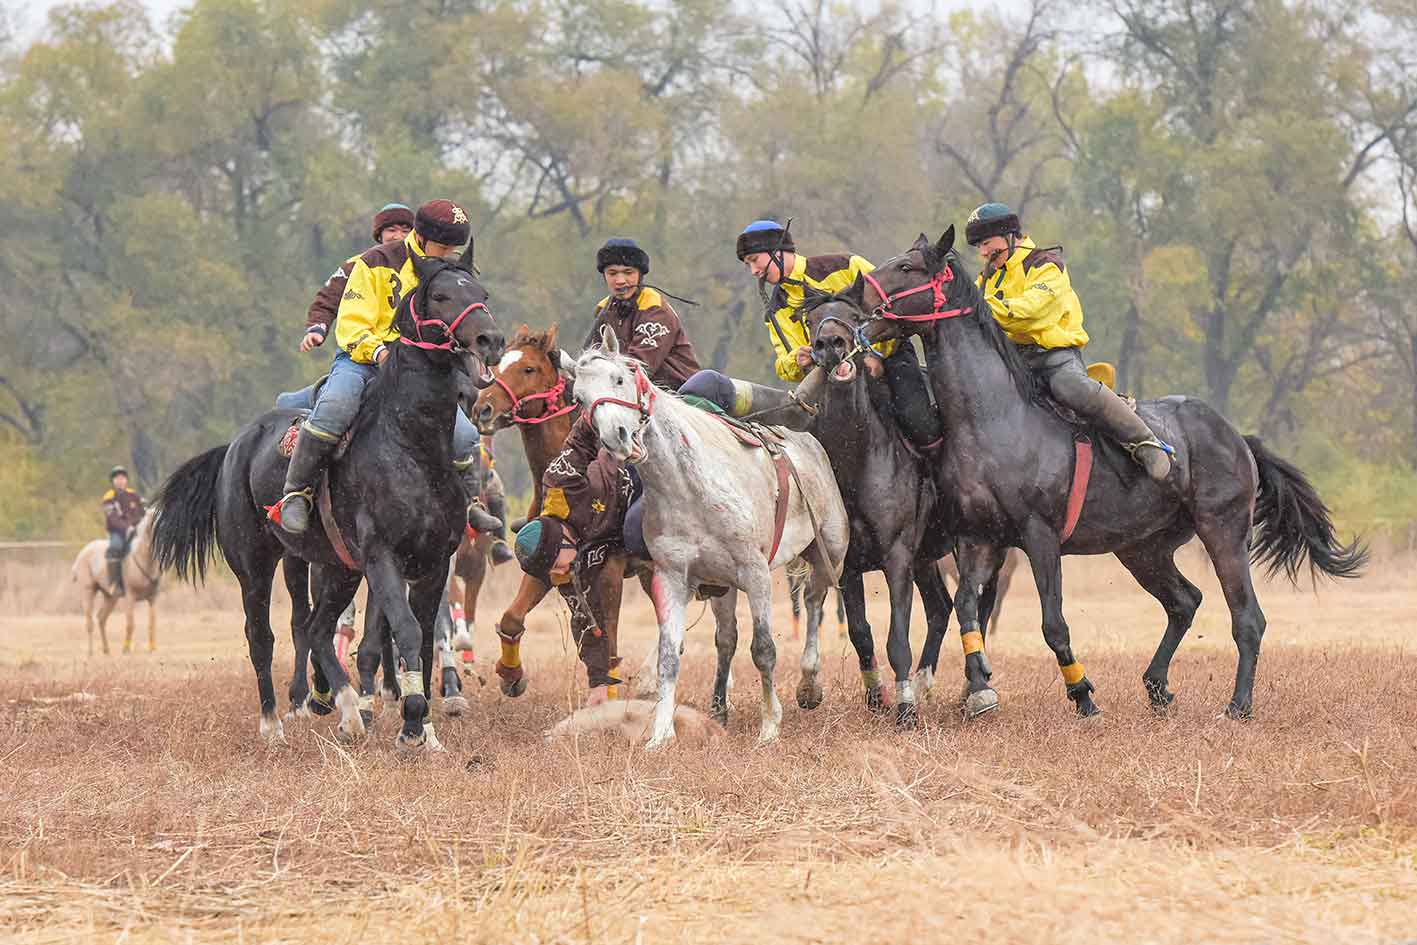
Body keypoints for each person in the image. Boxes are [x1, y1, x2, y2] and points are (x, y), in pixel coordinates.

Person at [272, 199, 502, 535]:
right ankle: (297, 492)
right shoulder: (374, 262)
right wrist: (380, 353)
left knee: (465, 435)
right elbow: (351, 325)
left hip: (419, 370)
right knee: (336, 407)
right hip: (364, 360)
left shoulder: (451, 274)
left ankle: (469, 503)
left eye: (454, 249)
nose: (448, 255)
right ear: (421, 237)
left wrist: (471, 356)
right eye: (443, 248)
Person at [965, 202, 1172, 481]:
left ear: (1009, 235)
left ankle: (1145, 442)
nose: (983, 252)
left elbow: (1031, 312)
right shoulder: (988, 277)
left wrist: (983, 307)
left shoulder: (1046, 264)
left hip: (1055, 358)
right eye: (978, 246)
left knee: (1070, 387)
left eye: (986, 243)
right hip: (1013, 360)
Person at [733, 219, 942, 448]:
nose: (754, 271)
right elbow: (783, 364)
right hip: (832, 382)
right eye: (747, 265)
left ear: (777, 250)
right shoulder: (775, 311)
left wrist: (875, 355)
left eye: (755, 260)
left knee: (919, 424)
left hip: (890, 358)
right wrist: (797, 360)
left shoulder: (846, 265)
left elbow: (890, 311)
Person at [276, 204, 415, 410]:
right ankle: (309, 399)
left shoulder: (421, 267)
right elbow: (328, 298)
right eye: (391, 230)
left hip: (406, 355)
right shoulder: (360, 264)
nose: (398, 236)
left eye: (405, 230)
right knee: (338, 402)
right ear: (379, 235)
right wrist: (317, 329)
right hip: (358, 352)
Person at [101, 466, 145, 596]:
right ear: (113, 481)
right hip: (117, 532)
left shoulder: (133, 494)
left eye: (122, 478)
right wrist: (127, 528)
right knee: (115, 547)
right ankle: (115, 584)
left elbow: (143, 510)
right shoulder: (109, 497)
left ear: (126, 480)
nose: (120, 481)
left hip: (135, 529)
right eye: (117, 478)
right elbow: (112, 518)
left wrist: (139, 522)